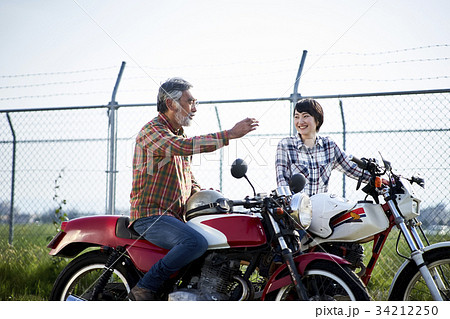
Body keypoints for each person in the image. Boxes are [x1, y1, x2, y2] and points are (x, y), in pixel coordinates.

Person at [128, 77, 258, 301]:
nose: (194, 108)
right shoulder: (153, 132)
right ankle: (144, 289)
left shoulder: (177, 134)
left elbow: (187, 179)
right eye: (190, 101)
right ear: (171, 104)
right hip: (150, 216)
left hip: (174, 216)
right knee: (194, 242)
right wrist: (229, 134)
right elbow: (181, 147)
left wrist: (213, 198)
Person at [275, 98, 370, 196]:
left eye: (305, 116)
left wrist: (378, 179)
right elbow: (282, 182)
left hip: (323, 207)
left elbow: (352, 168)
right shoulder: (285, 145)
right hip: (297, 209)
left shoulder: (329, 145)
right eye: (296, 117)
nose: (300, 121)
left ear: (318, 119)